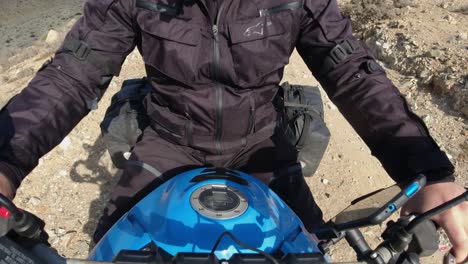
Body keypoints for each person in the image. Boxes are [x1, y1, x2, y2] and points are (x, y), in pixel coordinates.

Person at [0, 0, 466, 262]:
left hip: (262, 147)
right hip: (167, 145)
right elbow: (73, 73)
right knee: (110, 251)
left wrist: (430, 173)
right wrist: (4, 163)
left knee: (312, 254)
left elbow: (352, 74)